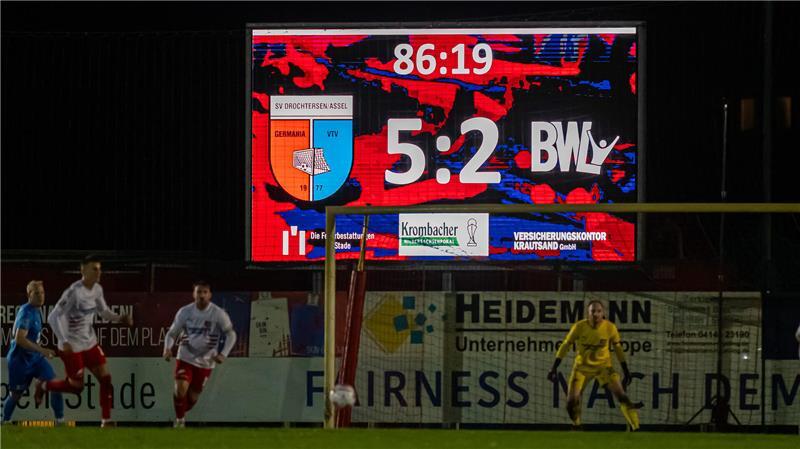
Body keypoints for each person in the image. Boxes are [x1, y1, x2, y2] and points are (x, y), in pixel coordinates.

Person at [36, 255, 133, 427]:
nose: (98, 272)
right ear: (83, 270)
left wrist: (119, 318)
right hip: (71, 347)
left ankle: (106, 420)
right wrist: (63, 340)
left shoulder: (97, 290)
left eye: (99, 268)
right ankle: (43, 386)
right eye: (94, 268)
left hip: (90, 343)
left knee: (105, 378)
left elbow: (103, 312)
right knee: (77, 387)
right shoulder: (73, 292)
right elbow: (52, 317)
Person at [547, 300, 641, 431]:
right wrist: (554, 367)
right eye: (593, 311)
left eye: (599, 311)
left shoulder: (610, 327)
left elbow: (618, 349)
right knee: (571, 403)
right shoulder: (579, 327)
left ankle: (636, 428)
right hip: (581, 368)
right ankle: (577, 425)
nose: (596, 314)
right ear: (588, 313)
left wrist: (626, 370)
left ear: (603, 313)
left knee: (622, 396)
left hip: (603, 367)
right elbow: (565, 345)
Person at [163, 281, 236, 428]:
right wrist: (167, 348)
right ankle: (180, 422)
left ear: (210, 295)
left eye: (204, 292)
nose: (201, 295)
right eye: (199, 292)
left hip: (206, 362)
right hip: (185, 357)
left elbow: (231, 334)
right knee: (180, 388)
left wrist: (223, 354)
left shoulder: (218, 313)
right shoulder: (185, 312)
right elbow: (172, 333)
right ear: (193, 294)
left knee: (192, 398)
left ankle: (181, 412)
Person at [3, 281, 65, 425]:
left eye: (42, 293)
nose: (41, 296)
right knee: (16, 395)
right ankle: (4, 422)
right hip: (19, 361)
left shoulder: (36, 311)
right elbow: (19, 339)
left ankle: (60, 422)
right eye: (37, 293)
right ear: (29, 295)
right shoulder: (26, 312)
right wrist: (42, 350)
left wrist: (40, 351)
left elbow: (31, 338)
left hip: (35, 359)